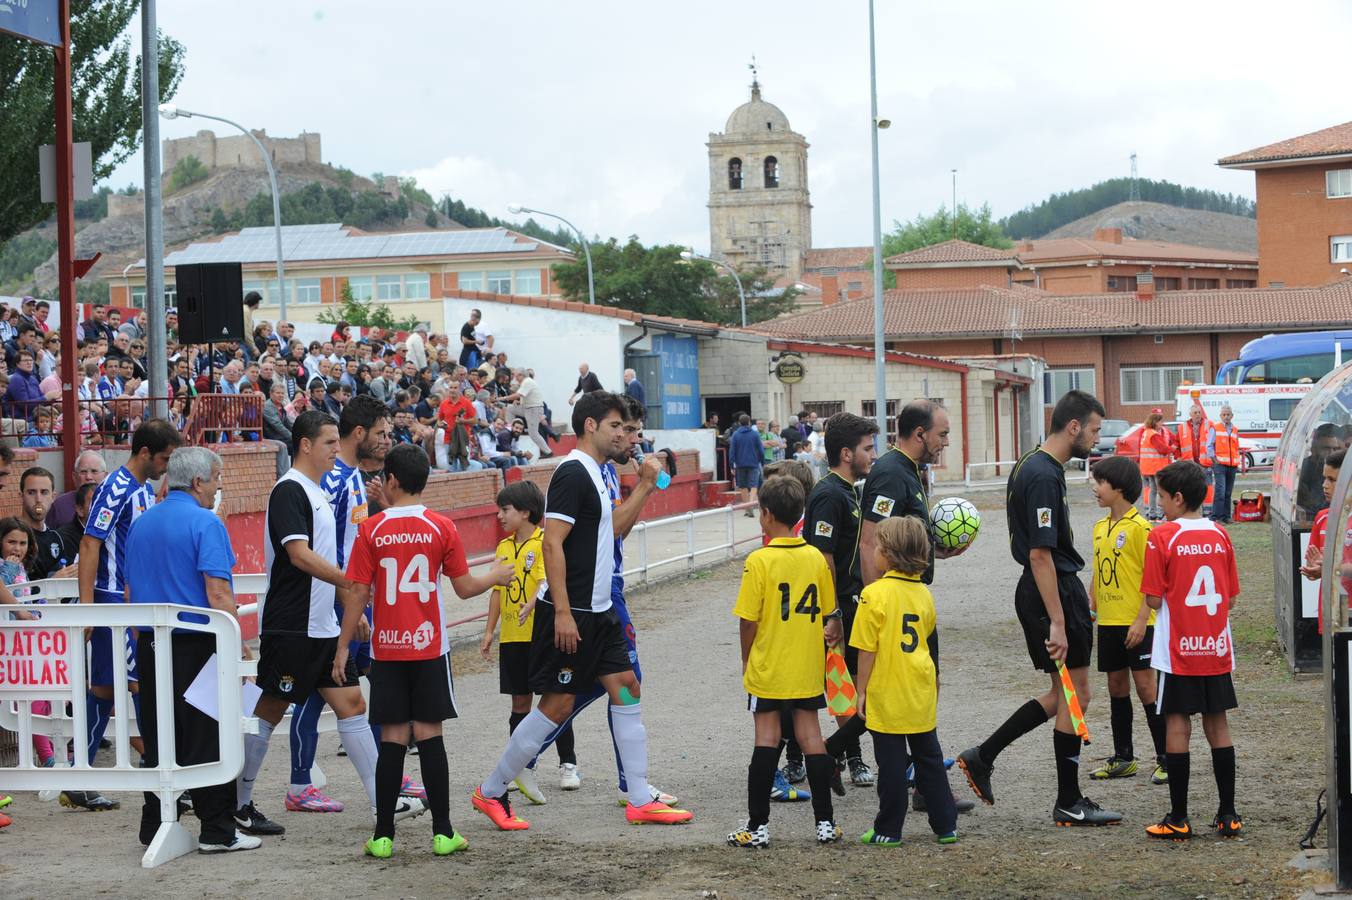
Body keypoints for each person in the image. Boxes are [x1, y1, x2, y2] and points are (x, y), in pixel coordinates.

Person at [471, 392, 692, 831]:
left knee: (627, 687)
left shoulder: (599, 472)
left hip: (603, 609)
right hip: (572, 613)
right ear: (590, 426)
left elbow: (612, 533)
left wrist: (645, 487)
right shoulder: (572, 472)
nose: (624, 435)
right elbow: (552, 542)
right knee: (555, 707)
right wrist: (564, 614)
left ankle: (639, 795)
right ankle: (491, 791)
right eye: (616, 427)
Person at [234, 411, 426, 838]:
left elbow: (327, 558)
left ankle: (384, 801)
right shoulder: (289, 490)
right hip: (292, 626)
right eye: (328, 444)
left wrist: (348, 605)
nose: (336, 451)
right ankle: (237, 803)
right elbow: (299, 555)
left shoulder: (316, 492)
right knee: (269, 710)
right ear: (305, 445)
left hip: (321, 625)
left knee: (353, 705)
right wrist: (350, 584)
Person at [956, 390, 1123, 826]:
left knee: (1061, 693)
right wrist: (1059, 620)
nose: (1095, 438)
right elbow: (1040, 554)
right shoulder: (1045, 475)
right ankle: (1068, 801)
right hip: (1049, 588)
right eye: (1093, 429)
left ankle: (982, 755)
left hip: (1047, 587)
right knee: (1076, 693)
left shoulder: (1032, 462)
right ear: (1073, 427)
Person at [339, 443, 510, 858]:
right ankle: (443, 832)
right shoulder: (440, 526)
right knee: (431, 735)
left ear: (391, 481)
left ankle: (382, 836)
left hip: (387, 649)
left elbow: (359, 592)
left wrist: (343, 646)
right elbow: (465, 588)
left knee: (393, 737)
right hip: (429, 646)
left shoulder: (371, 529)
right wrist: (496, 575)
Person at [126, 447, 261, 853]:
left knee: (158, 733)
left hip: (151, 643)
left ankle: (154, 825)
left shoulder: (142, 522)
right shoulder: (206, 523)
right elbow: (218, 593)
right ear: (199, 481)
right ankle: (217, 829)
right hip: (199, 642)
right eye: (217, 479)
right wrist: (239, 646)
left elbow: (132, 590)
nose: (218, 486)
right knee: (208, 736)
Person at [286, 395, 410, 814]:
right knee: (324, 691)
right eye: (381, 434)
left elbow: (355, 539)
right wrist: (348, 602)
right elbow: (327, 547)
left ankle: (385, 770)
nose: (387, 440)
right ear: (360, 433)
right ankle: (300, 782)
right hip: (338, 601)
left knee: (359, 685)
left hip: (355, 597)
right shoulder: (332, 480)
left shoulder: (352, 477)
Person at [61, 420, 181, 815]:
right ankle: (161, 775)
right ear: (145, 453)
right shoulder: (116, 488)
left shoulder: (140, 489)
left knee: (113, 689)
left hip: (129, 602)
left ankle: (82, 774)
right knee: (135, 686)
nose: (166, 465)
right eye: (164, 458)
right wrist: (88, 607)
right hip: (114, 604)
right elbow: (90, 542)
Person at [728, 475, 842, 848]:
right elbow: (828, 612)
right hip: (806, 667)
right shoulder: (815, 557)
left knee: (766, 738)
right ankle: (825, 824)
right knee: (812, 738)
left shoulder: (759, 560)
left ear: (765, 514)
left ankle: (758, 827)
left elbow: (749, 619)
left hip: (769, 668)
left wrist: (748, 660)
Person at [1141, 460, 1243, 840]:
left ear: (1178, 498)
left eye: (1162, 496)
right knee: (1218, 725)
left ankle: (1179, 816)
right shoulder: (1220, 535)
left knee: (1177, 725)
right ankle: (1228, 814)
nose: (1158, 502)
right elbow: (1230, 598)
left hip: (1177, 651)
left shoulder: (1162, 536)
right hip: (1215, 648)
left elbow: (1152, 599)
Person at [852, 516, 957, 846]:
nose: (873, 553)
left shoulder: (873, 595)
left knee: (892, 765)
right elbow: (925, 638)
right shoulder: (923, 594)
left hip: (888, 689)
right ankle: (945, 826)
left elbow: (867, 651)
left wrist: (861, 691)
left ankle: (888, 828)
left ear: (891, 554)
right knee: (930, 759)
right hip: (921, 686)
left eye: (878, 547)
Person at [480, 481, 579, 797]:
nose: (499, 515)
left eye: (504, 510)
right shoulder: (503, 548)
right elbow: (497, 592)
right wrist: (488, 631)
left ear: (525, 512)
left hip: (541, 637)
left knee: (554, 700)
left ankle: (568, 764)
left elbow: (546, 582)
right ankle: (523, 767)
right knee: (519, 704)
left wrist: (532, 603)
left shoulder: (543, 543)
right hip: (512, 639)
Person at [801, 412, 878, 788]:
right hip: (836, 608)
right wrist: (832, 613)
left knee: (850, 683)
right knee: (836, 684)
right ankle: (828, 758)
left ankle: (842, 756)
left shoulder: (850, 491)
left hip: (852, 602)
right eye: (868, 448)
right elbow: (823, 557)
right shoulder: (829, 494)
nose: (873, 455)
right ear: (846, 454)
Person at [1087, 455, 1167, 785]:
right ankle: (1124, 757)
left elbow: (1154, 578)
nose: (1094, 487)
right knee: (1116, 687)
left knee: (1147, 688)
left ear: (1118, 487)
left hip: (1138, 623)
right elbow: (1098, 571)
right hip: (1108, 622)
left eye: (1099, 481)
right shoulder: (1099, 527)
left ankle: (1166, 757)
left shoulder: (1141, 529)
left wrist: (1141, 618)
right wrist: (1091, 607)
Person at [1301, 448, 1349, 634]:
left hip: (1348, 614)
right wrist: (1315, 569)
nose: (1324, 485)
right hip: (1331, 613)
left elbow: (1333, 567)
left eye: (1332, 480)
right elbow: (1314, 564)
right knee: (1335, 661)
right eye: (1324, 478)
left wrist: (1332, 568)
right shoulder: (1322, 519)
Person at [18, 467, 78, 581]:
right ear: (21, 497)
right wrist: (51, 583)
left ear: (53, 497)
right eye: (31, 492)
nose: (38, 499)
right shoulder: (11, 535)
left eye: (44, 492)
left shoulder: (56, 537)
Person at [48, 450, 106, 529]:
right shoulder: (59, 506)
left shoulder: (114, 503)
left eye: (94, 471)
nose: (88, 477)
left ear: (105, 476)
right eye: (83, 472)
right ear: (74, 477)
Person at [502, 369, 552, 459]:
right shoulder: (526, 382)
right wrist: (517, 402)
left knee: (533, 434)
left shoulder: (527, 382)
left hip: (533, 410)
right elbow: (522, 397)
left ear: (521, 375)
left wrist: (503, 398)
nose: (515, 378)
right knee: (510, 409)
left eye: (516, 376)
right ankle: (510, 429)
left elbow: (519, 394)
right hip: (528, 408)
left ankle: (548, 452)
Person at [1207, 405, 1241, 524]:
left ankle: (1226, 517)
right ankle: (1216, 517)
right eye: (1224, 414)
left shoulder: (1235, 430)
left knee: (1228, 492)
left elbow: (1236, 446)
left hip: (1232, 465)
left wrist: (1237, 461)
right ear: (1221, 416)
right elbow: (1209, 445)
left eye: (1228, 414)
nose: (1226, 416)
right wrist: (1214, 459)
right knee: (1220, 491)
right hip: (1220, 464)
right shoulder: (1215, 428)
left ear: (1232, 416)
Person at [1139, 410, 1173, 521]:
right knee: (1159, 491)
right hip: (1156, 466)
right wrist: (1172, 449)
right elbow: (1162, 449)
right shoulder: (1154, 435)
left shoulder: (1146, 432)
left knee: (1152, 490)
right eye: (1160, 422)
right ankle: (1159, 514)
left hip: (1148, 467)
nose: (1161, 424)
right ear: (1154, 422)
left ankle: (1151, 513)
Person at [729, 413, 765, 514]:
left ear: (740, 423)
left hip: (740, 464)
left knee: (742, 486)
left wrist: (731, 464)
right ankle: (751, 504)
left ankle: (746, 508)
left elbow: (732, 451)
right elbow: (761, 450)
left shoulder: (736, 435)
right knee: (754, 485)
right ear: (749, 422)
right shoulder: (755, 434)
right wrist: (762, 461)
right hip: (753, 463)